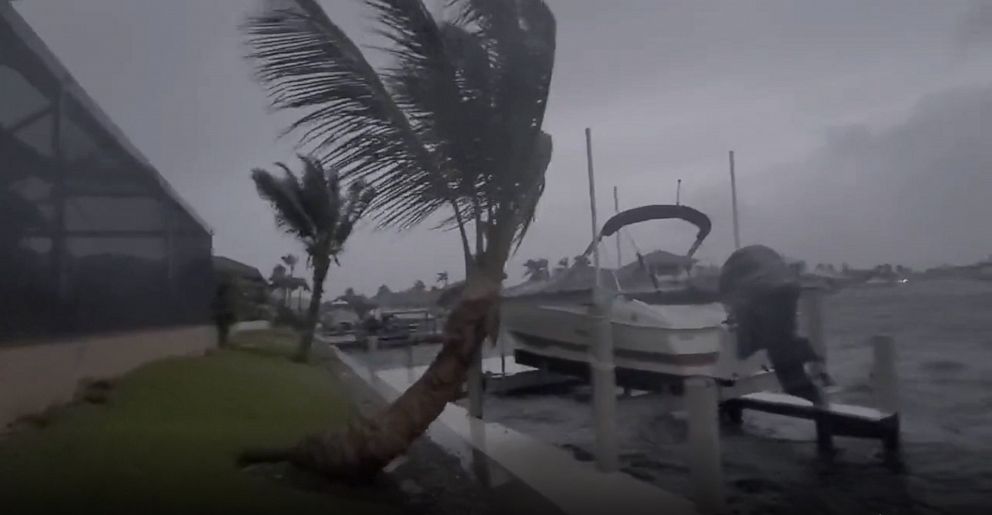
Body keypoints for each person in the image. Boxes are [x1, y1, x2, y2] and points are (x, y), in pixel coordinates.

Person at [719, 245, 826, 405]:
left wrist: (743, 348)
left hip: (767, 289)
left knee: (777, 346)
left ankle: (808, 394)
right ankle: (816, 366)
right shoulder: (740, 269)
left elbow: (742, 317)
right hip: (788, 285)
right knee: (784, 336)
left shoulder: (731, 282)